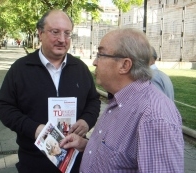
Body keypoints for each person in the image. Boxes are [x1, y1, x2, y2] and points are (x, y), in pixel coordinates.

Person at [60, 28, 184, 173]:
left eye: (100, 54)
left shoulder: (154, 117)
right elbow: (119, 157)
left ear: (125, 65)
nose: (94, 62)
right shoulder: (120, 99)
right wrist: (86, 145)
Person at [0, 9, 100, 173]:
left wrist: (87, 121)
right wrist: (34, 129)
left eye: (67, 33)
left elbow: (93, 100)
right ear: (40, 33)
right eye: (55, 32)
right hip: (34, 162)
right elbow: (4, 106)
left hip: (75, 161)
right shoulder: (21, 69)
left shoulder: (80, 69)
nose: (62, 40)